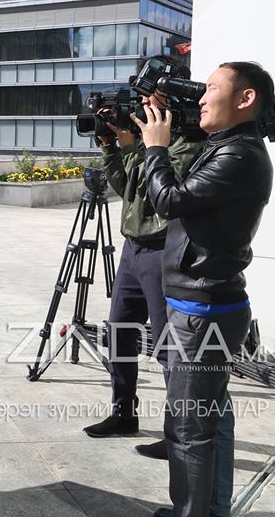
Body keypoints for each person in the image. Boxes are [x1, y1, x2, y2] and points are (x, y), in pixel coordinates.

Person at [131, 62, 275, 517]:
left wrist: (155, 148)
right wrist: (163, 119)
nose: (201, 97)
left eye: (212, 88)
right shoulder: (228, 146)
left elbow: (169, 200)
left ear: (245, 99)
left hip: (202, 312)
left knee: (188, 428)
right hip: (200, 304)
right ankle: (211, 510)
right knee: (211, 419)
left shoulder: (239, 156)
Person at [84, 88, 202, 447]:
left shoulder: (186, 143)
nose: (144, 105)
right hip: (132, 250)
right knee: (119, 332)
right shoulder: (148, 141)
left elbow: (158, 196)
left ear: (172, 100)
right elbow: (127, 188)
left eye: (152, 99)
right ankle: (123, 413)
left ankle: (177, 434)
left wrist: (137, 148)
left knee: (167, 345)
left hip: (162, 251)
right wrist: (110, 147)